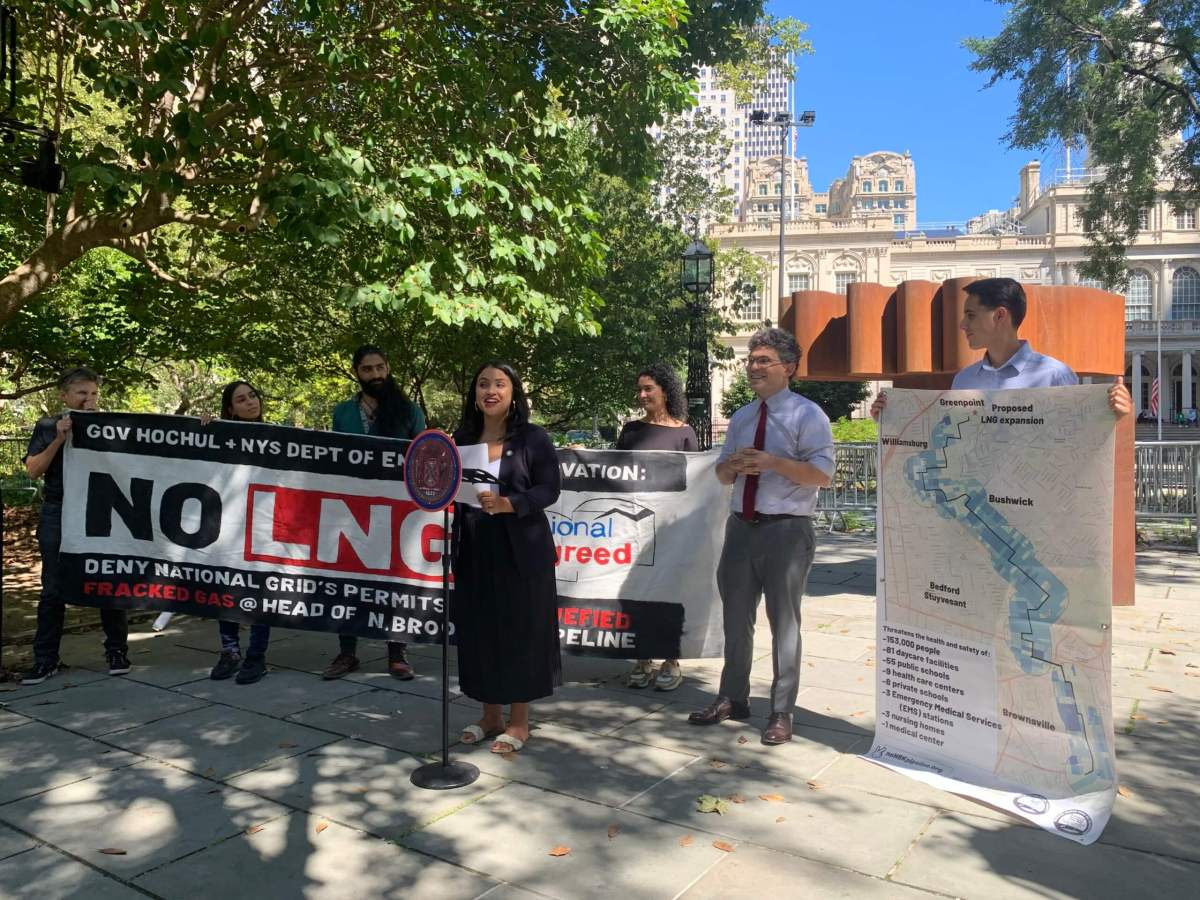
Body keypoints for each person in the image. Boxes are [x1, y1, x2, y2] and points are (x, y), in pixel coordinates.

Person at [688, 328, 834, 746]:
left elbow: (822, 473)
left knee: (785, 623)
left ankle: (782, 710)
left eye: (763, 360)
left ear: (788, 368)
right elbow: (719, 475)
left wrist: (773, 463)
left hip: (786, 531)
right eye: (751, 360)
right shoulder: (742, 417)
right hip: (741, 529)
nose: (753, 367)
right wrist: (733, 465)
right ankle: (732, 697)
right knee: (735, 619)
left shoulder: (809, 416)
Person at [452, 361, 562, 754]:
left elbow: (550, 489)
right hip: (475, 548)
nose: (490, 390)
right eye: (483, 384)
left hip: (522, 552)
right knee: (480, 631)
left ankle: (518, 723)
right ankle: (489, 715)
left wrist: (509, 504)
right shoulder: (462, 437)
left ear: (514, 392)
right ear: (475, 393)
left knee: (520, 631)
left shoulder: (533, 438)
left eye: (499, 384)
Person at [871, 278, 1132, 419]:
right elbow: (948, 438)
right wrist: (890, 418)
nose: (962, 325)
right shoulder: (964, 380)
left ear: (1000, 316)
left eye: (971, 315)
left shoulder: (1055, 376)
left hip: (1034, 509)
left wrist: (1117, 415)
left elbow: (1079, 436)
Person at [20, 368, 130, 685]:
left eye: (94, 393)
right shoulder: (47, 426)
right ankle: (45, 660)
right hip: (59, 512)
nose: (89, 400)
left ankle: (117, 652)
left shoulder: (112, 426)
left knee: (108, 581)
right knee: (53, 589)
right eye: (82, 393)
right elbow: (33, 471)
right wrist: (59, 438)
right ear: (64, 396)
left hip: (101, 513)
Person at [323, 345, 427, 680]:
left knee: (394, 579)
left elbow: (424, 455)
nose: (376, 375)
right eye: (367, 369)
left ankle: (396, 652)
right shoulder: (343, 412)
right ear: (357, 372)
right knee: (346, 578)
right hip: (350, 508)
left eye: (380, 367)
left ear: (389, 367)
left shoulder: (408, 410)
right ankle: (347, 652)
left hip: (396, 509)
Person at [615, 363, 698, 691]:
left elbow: (696, 481)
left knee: (668, 594)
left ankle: (671, 659)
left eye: (649, 388)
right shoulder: (631, 431)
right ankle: (642, 657)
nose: (643, 395)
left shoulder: (684, 433)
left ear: (666, 390)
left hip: (671, 530)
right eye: (640, 389)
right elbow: (611, 475)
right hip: (633, 528)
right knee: (636, 592)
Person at [203, 381, 273, 685]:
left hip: (264, 528)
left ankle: (256, 658)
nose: (250, 403)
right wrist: (203, 429)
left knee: (260, 594)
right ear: (230, 408)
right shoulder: (220, 436)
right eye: (241, 400)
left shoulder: (278, 436)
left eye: (253, 396)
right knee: (226, 589)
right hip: (228, 528)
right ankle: (229, 651)